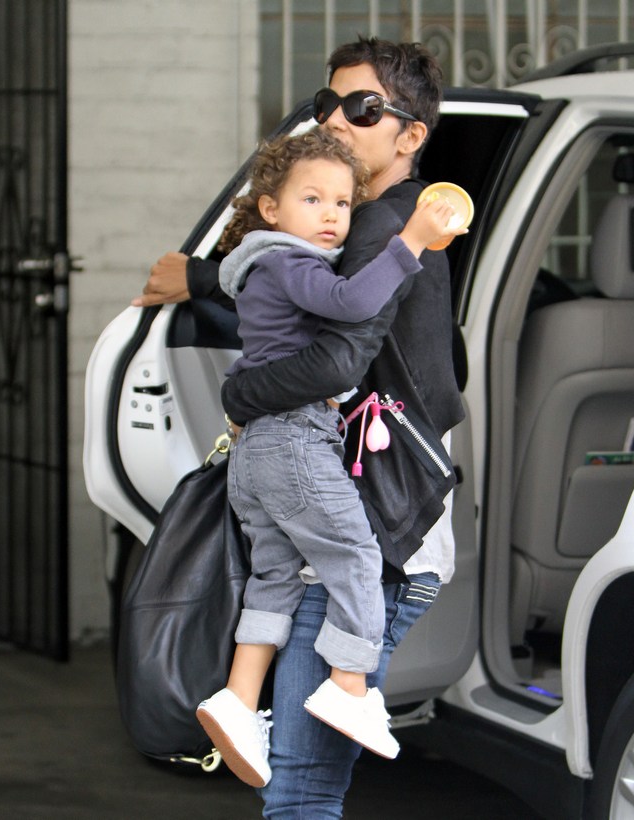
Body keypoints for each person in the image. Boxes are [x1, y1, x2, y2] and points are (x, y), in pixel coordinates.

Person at [134, 37, 465, 819]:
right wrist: (213, 277)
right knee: (297, 781)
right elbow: (288, 277)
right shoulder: (360, 230)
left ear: (410, 135)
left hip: (382, 534)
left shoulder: (390, 228)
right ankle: (249, 703)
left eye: (361, 108)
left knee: (302, 786)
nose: (336, 121)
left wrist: (242, 396)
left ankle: (289, 698)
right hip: (353, 513)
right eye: (328, 104)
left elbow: (332, 362)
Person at [194, 128, 463, 789]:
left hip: (257, 453)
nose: (332, 215)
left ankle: (236, 695)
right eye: (312, 199)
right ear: (270, 209)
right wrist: (408, 245)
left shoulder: (256, 270)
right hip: (295, 442)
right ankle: (348, 687)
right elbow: (351, 304)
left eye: (343, 203)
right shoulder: (293, 265)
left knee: (275, 581)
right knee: (356, 556)